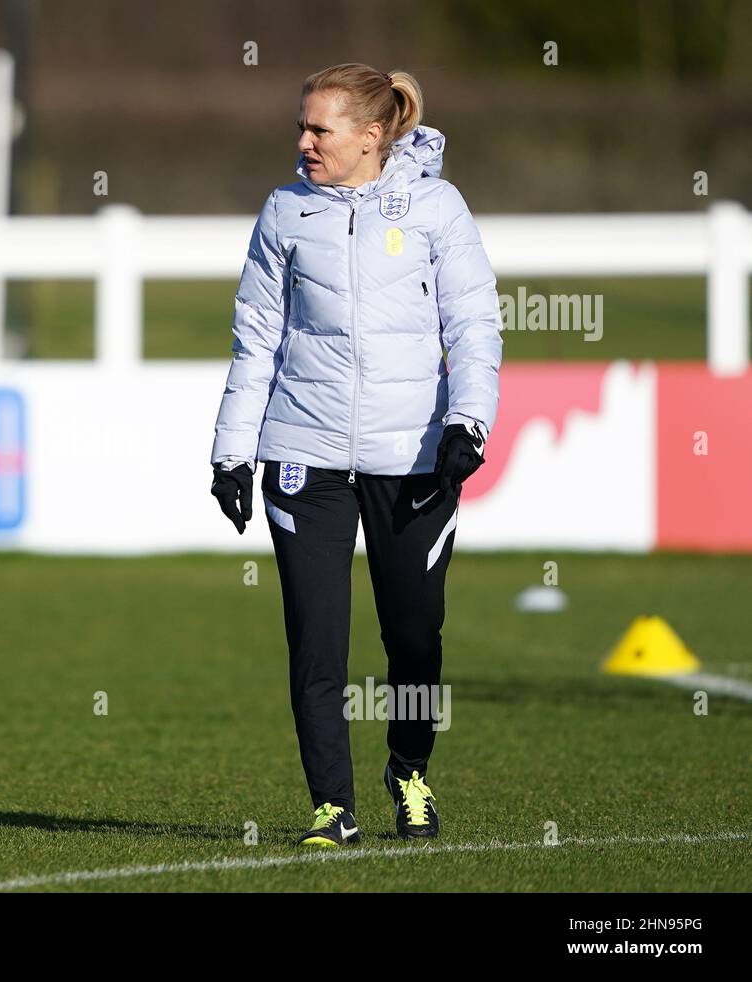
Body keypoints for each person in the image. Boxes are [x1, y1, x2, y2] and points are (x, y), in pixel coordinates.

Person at [209, 64, 501, 846]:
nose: (302, 142)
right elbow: (256, 340)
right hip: (303, 453)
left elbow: (474, 324)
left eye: (319, 129)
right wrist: (231, 454)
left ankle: (409, 770)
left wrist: (468, 422)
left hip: (413, 458)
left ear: (372, 136)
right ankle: (330, 808)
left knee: (413, 637)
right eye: (301, 127)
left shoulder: (437, 209)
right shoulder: (282, 212)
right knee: (315, 638)